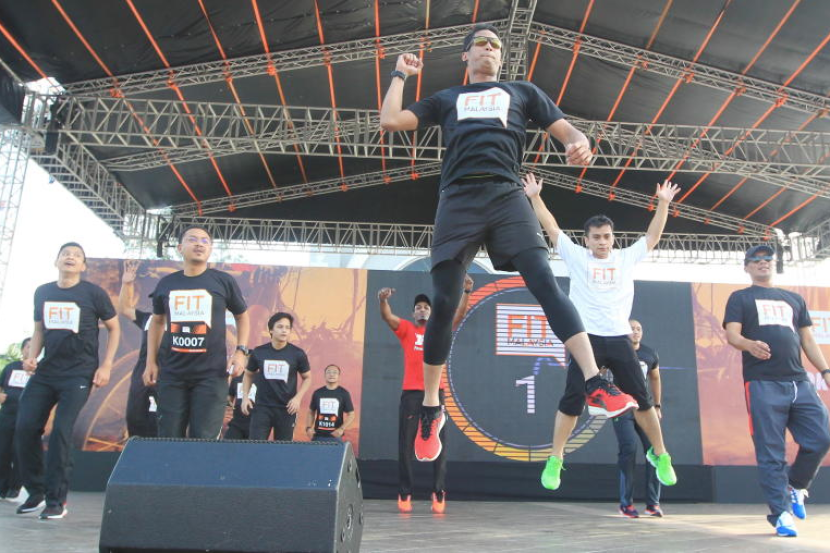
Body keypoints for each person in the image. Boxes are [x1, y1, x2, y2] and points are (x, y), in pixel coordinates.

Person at [379, 23, 637, 468]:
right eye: (481, 43)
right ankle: (431, 407)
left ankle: (595, 381)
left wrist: (579, 141)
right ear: (466, 55)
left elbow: (567, 131)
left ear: (502, 57)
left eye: (496, 45)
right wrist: (399, 74)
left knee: (544, 282)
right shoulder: (447, 98)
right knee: (444, 300)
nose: (490, 48)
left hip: (507, 196)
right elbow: (390, 120)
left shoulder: (523, 92)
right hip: (458, 199)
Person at [523, 173, 678, 491]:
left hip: (619, 337)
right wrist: (535, 197)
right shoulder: (577, 256)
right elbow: (552, 228)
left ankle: (661, 454)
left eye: (607, 237)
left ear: (613, 238)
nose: (602, 242)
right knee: (572, 399)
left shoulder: (625, 257)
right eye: (596, 237)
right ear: (587, 240)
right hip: (586, 339)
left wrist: (663, 203)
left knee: (642, 400)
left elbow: (652, 236)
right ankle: (555, 458)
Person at [724, 244, 830, 538]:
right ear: (747, 267)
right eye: (756, 259)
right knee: (771, 451)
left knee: (821, 438)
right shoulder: (740, 297)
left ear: (774, 264)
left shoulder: (794, 299)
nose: (763, 262)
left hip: (799, 381)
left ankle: (796, 486)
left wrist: (825, 371)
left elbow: (807, 340)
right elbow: (732, 334)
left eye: (768, 258)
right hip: (762, 383)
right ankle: (781, 514)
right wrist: (749, 345)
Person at [16, 242, 120, 519]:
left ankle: (56, 500)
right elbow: (39, 329)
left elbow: (114, 328)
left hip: (78, 373)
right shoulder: (43, 292)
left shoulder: (93, 293)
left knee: (62, 431)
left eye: (76, 255)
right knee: (25, 427)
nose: (70, 257)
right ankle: (35, 491)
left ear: (83, 266)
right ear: (57, 261)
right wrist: (32, 357)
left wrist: (107, 365)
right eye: (66, 254)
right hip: (46, 372)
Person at [144, 227, 250, 439]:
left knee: (203, 440)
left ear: (210, 249)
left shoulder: (223, 281)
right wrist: (150, 362)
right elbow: (157, 321)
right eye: (192, 239)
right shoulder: (167, 283)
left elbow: (242, 316)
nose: (199, 244)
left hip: (212, 375)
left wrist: (241, 351)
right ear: (180, 247)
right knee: (168, 437)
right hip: (172, 374)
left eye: (205, 241)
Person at [379, 279, 471, 514]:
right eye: (418, 307)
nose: (422, 310)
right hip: (411, 394)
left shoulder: (440, 329)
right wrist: (383, 300)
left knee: (438, 445)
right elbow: (388, 317)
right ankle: (405, 492)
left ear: (431, 313)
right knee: (406, 445)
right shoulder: (407, 329)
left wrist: (467, 291)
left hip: (436, 394)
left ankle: (438, 492)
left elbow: (460, 314)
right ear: (413, 313)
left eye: (426, 307)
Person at [612, 319, 663, 518]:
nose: (635, 332)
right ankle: (626, 504)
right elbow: (598, 372)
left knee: (655, 451)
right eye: (631, 329)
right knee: (629, 450)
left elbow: (655, 377)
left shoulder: (649, 354)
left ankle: (653, 504)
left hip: (645, 408)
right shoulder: (616, 351)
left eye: (638, 329)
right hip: (622, 408)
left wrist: (657, 405)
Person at [242, 313, 311, 441]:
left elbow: (307, 378)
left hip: (287, 409)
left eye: (287, 327)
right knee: (255, 446)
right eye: (280, 327)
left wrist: (297, 398)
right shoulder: (259, 352)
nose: (284, 330)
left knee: (283, 448)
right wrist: (245, 397)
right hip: (262, 407)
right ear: (271, 330)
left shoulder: (298, 354)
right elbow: (248, 374)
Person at [118, 260, 158, 438]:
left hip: (170, 373)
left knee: (161, 422)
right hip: (142, 372)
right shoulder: (148, 318)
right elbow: (125, 308)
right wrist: (127, 284)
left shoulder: (183, 322)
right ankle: (137, 448)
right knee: (135, 416)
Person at [0, 338, 30, 501]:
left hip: (27, 415)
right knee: (3, 449)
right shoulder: (11, 367)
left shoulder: (41, 370)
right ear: (23, 349)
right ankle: (2, 485)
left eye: (33, 347)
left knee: (19, 451)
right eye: (27, 347)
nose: (30, 350)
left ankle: (15, 486)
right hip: (7, 414)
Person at [306, 364, 355, 442]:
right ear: (324, 376)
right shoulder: (317, 393)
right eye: (328, 372)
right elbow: (311, 412)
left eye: (335, 372)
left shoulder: (344, 393)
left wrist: (342, 428)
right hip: (318, 436)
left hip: (335, 437)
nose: (331, 374)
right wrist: (308, 428)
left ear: (339, 376)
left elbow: (351, 414)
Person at [224, 374, 255, 439]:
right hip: (237, 422)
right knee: (227, 442)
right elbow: (229, 398)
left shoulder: (261, 379)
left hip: (254, 423)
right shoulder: (236, 379)